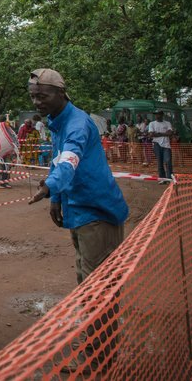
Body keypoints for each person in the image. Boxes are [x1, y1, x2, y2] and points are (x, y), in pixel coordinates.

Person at [27, 69, 129, 284]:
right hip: (78, 207)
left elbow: (69, 159)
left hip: (97, 210)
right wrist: (55, 198)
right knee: (85, 274)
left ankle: (102, 318)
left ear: (61, 93)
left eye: (42, 96)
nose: (36, 102)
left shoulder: (77, 124)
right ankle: (92, 317)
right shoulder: (57, 122)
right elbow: (57, 159)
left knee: (98, 283)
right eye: (33, 96)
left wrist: (50, 187)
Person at [147, 110, 175, 180]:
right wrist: (165, 134)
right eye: (156, 114)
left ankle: (169, 178)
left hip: (166, 145)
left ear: (162, 115)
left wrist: (158, 134)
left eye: (158, 114)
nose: (157, 116)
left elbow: (170, 133)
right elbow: (151, 134)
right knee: (160, 163)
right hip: (157, 144)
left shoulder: (167, 123)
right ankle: (162, 178)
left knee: (168, 161)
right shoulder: (152, 123)